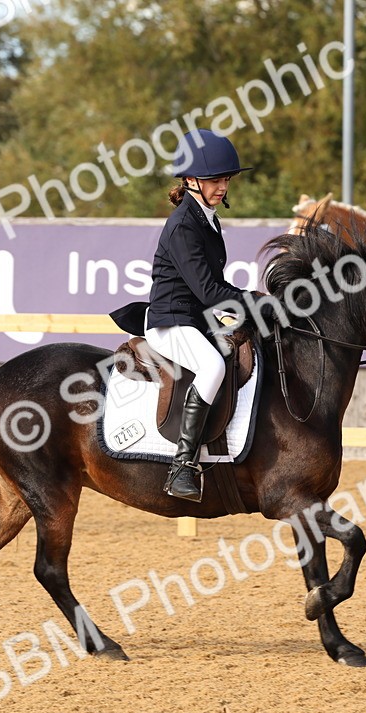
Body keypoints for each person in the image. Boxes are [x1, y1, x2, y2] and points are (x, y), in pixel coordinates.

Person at [110, 129, 259, 502]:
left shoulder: (207, 218)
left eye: (226, 179)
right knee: (212, 367)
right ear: (190, 180)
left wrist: (249, 308)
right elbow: (209, 290)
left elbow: (213, 288)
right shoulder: (182, 225)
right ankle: (182, 466)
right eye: (214, 180)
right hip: (171, 321)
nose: (222, 186)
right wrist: (251, 301)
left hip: (196, 316)